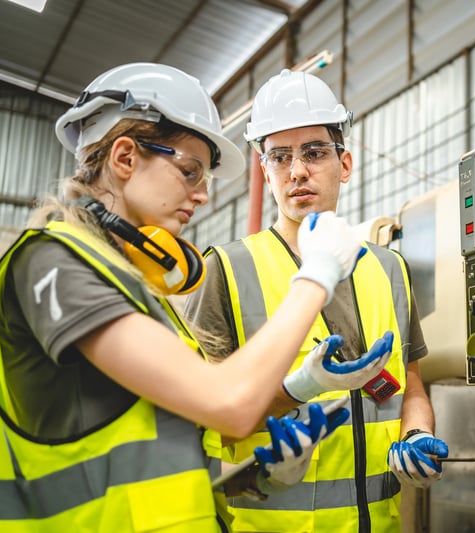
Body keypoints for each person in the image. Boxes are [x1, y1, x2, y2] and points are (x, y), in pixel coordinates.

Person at [0, 63, 367, 532]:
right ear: (125, 158)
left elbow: (181, 440)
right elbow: (229, 400)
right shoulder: (53, 265)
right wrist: (317, 276)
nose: (202, 195)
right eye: (190, 172)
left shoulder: (130, 285)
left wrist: (268, 461)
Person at [184, 68, 450, 533]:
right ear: (265, 171)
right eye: (280, 157)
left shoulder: (391, 268)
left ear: (344, 164)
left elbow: (411, 385)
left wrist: (417, 434)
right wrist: (291, 395)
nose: (298, 170)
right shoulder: (225, 272)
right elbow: (206, 421)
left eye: (313, 152)